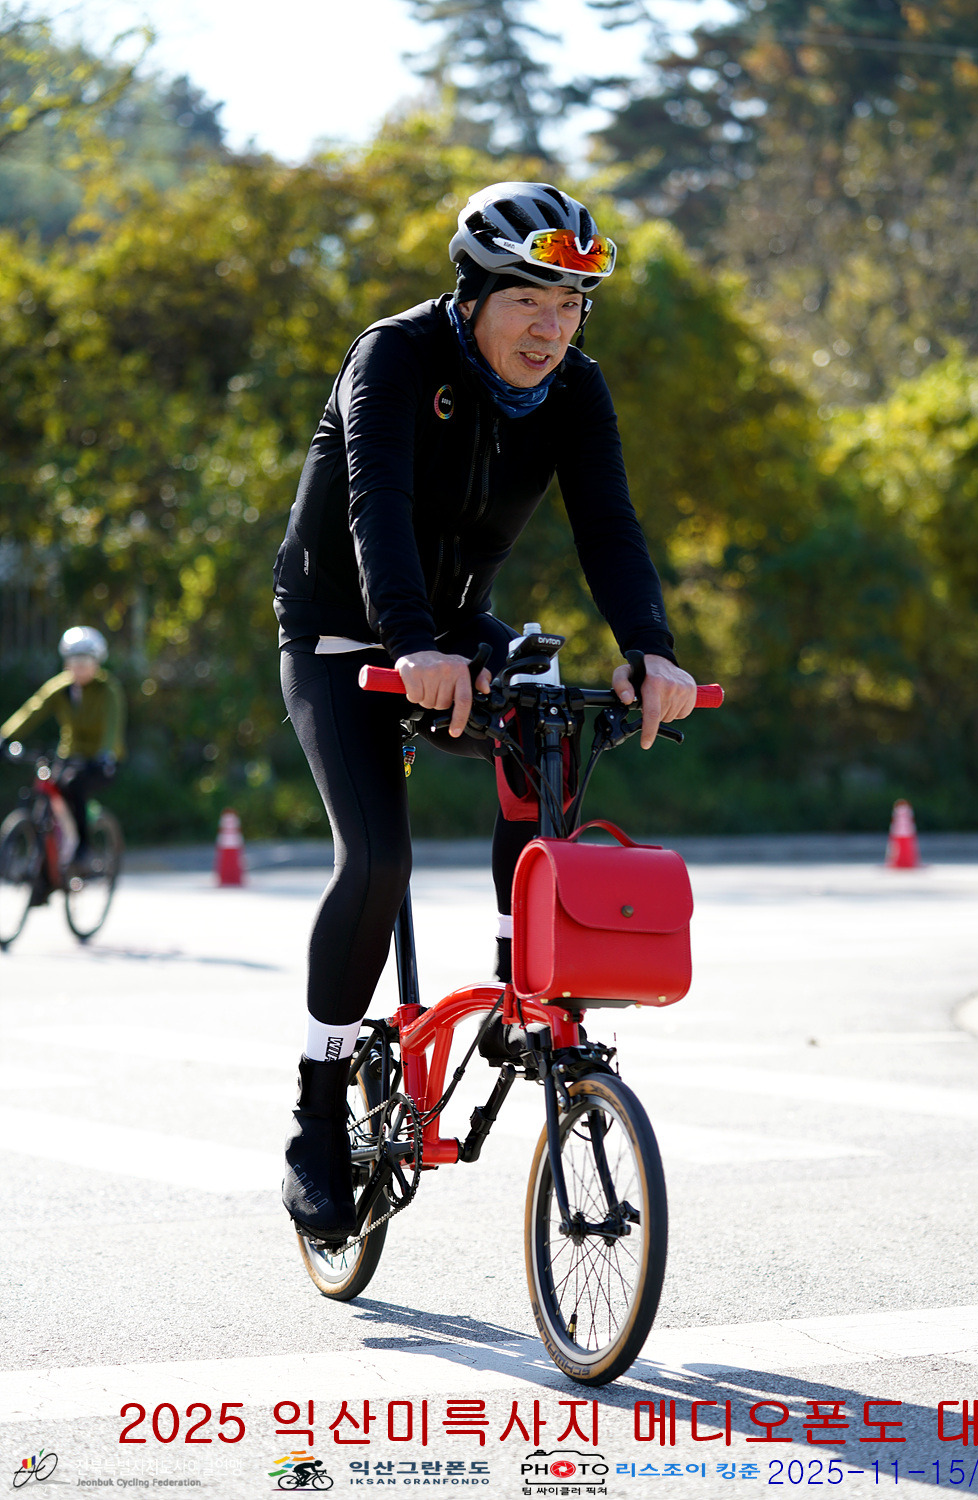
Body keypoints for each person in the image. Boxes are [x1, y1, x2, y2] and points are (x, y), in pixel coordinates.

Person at [274, 181, 698, 1242]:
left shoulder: (574, 390)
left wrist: (651, 651)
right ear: (471, 296)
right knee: (377, 861)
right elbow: (376, 504)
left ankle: (523, 991)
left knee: (550, 719)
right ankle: (318, 1108)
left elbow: (608, 523)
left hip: (456, 628)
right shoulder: (395, 355)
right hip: (342, 632)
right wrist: (408, 642)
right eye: (528, 303)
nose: (552, 330)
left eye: (571, 307)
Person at [1, 627, 126, 870]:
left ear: (96, 664)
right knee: (47, 784)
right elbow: (32, 711)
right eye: (74, 663)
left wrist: (106, 754)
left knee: (74, 785)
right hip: (69, 755)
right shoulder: (60, 688)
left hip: (101, 759)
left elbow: (113, 726)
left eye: (85, 663)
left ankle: (84, 849)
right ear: (66, 663)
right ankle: (46, 864)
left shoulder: (108, 690)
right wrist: (4, 736)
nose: (79, 669)